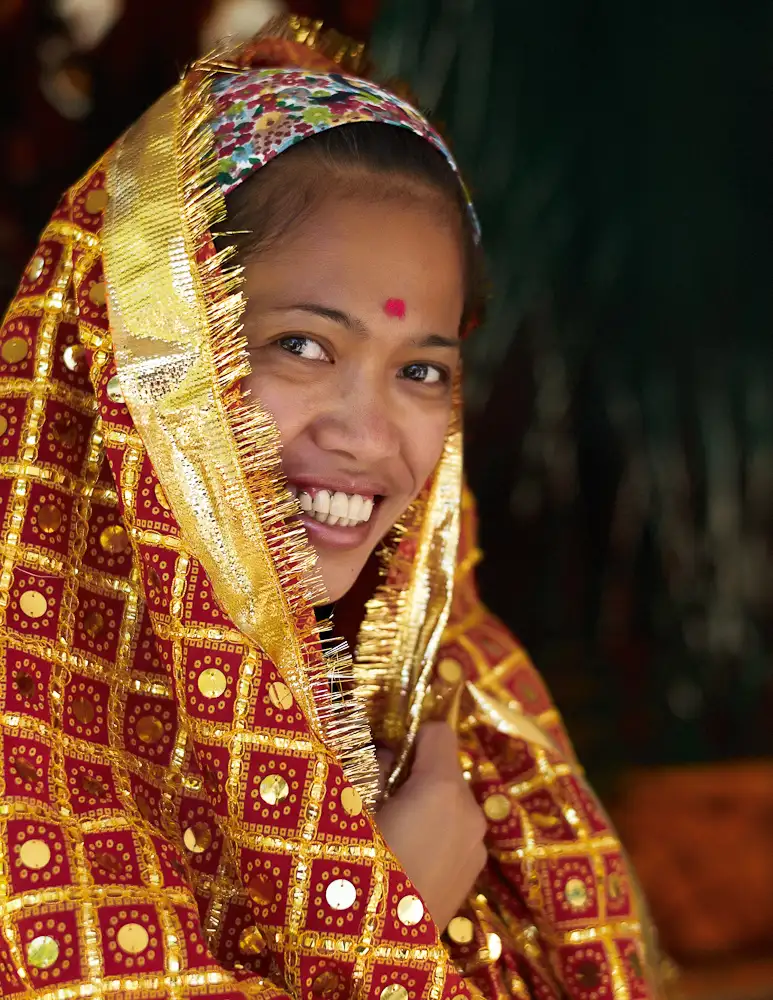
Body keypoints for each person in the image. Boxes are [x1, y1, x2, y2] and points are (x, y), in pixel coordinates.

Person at [0, 13, 663, 1000]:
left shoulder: (473, 728)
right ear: (133, 357)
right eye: (302, 346)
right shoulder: (26, 761)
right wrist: (386, 920)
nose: (367, 435)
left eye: (420, 369)